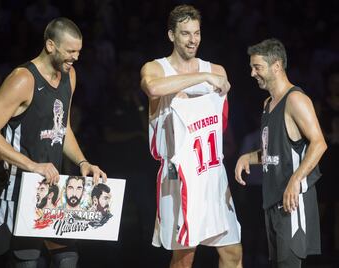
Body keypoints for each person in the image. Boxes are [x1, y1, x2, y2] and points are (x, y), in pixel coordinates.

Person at [0, 17, 107, 268]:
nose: (76, 57)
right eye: (70, 51)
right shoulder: (23, 79)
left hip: (52, 188)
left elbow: (63, 127)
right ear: (50, 45)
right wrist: (32, 164)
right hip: (17, 187)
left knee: (67, 257)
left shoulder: (69, 76)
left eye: (79, 51)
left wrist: (82, 161)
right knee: (27, 261)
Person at [140, 5, 242, 268]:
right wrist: (203, 77)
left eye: (196, 33)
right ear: (171, 35)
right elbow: (152, 88)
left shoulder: (217, 69)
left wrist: (209, 75)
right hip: (177, 175)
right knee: (185, 257)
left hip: (211, 173)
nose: (193, 40)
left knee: (232, 251)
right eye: (185, 33)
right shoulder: (157, 68)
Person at [235, 38, 327, 268]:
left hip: (292, 201)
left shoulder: (295, 99)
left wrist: (296, 179)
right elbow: (273, 151)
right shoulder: (268, 103)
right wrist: (248, 157)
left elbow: (319, 143)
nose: (252, 73)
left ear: (276, 66)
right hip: (273, 200)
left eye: (257, 67)